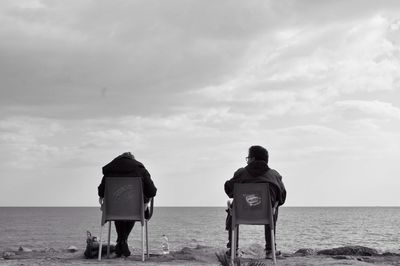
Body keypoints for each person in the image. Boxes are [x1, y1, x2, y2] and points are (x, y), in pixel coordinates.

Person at [224, 145, 286, 258]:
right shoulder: (274, 175)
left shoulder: (241, 173)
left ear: (252, 159)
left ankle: (233, 249)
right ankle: (270, 250)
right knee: (274, 207)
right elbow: (282, 198)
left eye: (248, 158)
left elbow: (229, 190)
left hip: (241, 214)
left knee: (233, 207)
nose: (247, 161)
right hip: (266, 215)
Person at [98, 152, 157, 257]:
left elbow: (101, 192)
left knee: (120, 210)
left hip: (113, 210)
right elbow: (152, 191)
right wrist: (146, 200)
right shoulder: (141, 170)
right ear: (133, 160)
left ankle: (121, 241)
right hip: (136, 210)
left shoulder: (109, 171)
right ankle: (123, 240)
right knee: (131, 208)